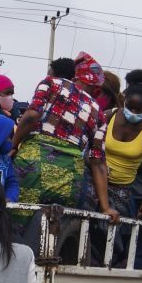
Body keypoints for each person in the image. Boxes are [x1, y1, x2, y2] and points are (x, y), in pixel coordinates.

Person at [11, 57, 113, 220]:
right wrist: (106, 207)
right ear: (96, 88)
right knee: (53, 231)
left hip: (32, 165)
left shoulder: (51, 84)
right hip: (70, 177)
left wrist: (14, 144)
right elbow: (98, 161)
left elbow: (32, 116)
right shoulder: (98, 112)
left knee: (18, 222)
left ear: (76, 77)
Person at [87, 69, 142, 265]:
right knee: (84, 223)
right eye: (131, 107)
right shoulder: (107, 117)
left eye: (140, 109)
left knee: (112, 235)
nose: (135, 113)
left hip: (122, 190)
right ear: (124, 100)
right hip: (93, 179)